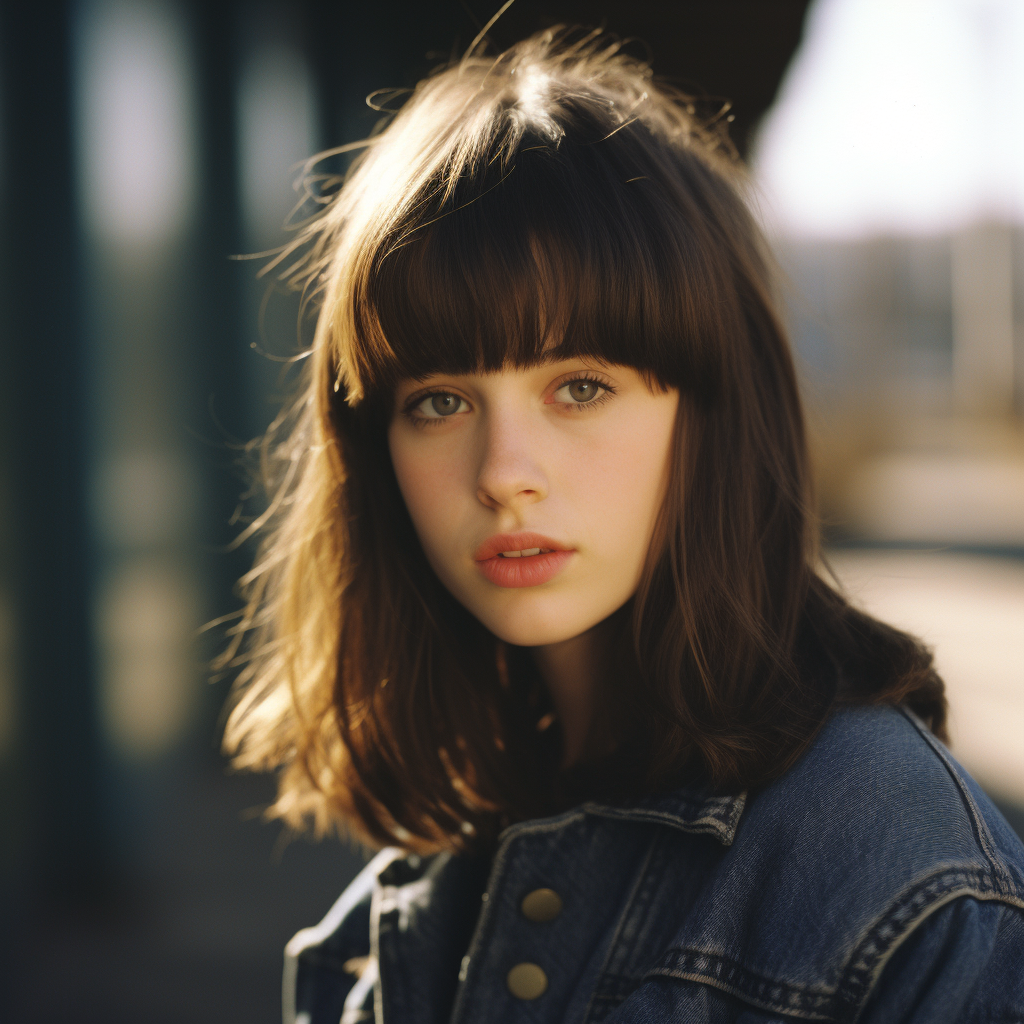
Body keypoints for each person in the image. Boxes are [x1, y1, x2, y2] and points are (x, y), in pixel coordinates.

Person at [220, 27, 1024, 1024]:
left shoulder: (903, 873)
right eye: (438, 401)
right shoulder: (446, 854)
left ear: (714, 412)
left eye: (581, 386)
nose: (504, 475)